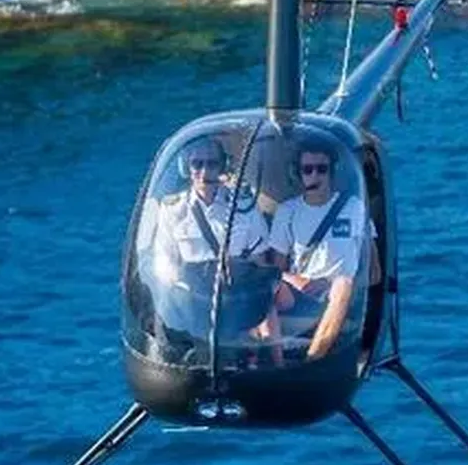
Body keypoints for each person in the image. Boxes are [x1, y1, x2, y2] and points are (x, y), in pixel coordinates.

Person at [149, 136, 280, 358]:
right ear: (187, 168)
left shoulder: (243, 206)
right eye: (197, 164)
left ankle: (277, 363)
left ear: (222, 167)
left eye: (212, 164)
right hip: (194, 295)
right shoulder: (173, 210)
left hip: (237, 292)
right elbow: (166, 265)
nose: (204, 171)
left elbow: (259, 259)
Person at [268, 135, 380, 361]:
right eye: (308, 170)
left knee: (343, 283)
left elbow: (374, 272)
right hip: (301, 290)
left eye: (321, 169)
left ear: (332, 172)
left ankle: (314, 358)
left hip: (338, 292)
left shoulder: (354, 208)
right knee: (260, 288)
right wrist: (298, 280)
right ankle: (266, 357)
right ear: (298, 174)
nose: (315, 176)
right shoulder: (288, 212)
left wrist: (331, 282)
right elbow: (273, 271)